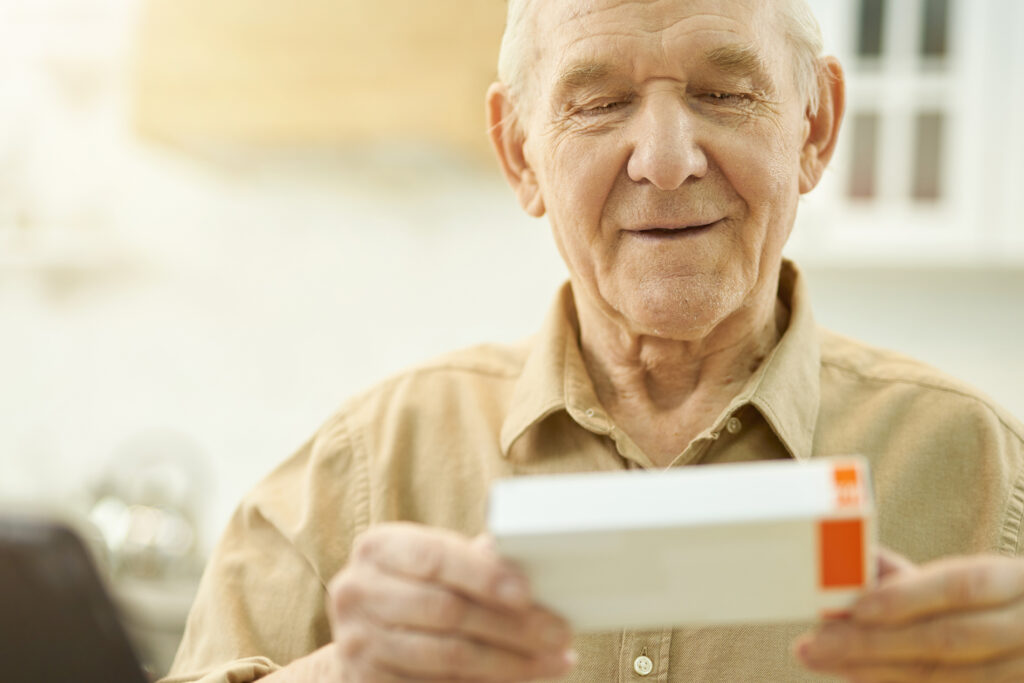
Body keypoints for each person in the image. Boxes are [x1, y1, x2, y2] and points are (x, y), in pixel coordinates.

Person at [161, 1, 1024, 681]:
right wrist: (345, 675)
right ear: (521, 154)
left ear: (816, 126)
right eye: (600, 103)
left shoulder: (983, 469)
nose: (665, 158)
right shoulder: (366, 467)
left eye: (723, 93)